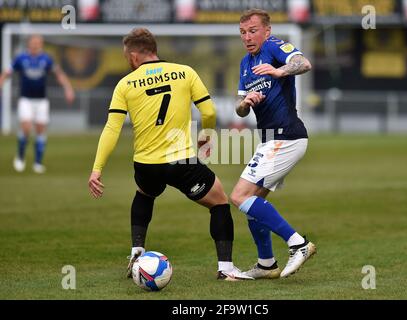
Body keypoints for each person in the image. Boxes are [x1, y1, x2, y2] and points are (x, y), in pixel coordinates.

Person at [87, 27, 253, 281]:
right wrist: (206, 137)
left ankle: (137, 253)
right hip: (181, 161)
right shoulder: (185, 72)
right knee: (219, 202)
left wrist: (97, 169)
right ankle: (226, 269)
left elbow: (112, 128)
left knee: (145, 192)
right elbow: (208, 112)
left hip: (145, 164)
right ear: (153, 50)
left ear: (133, 56)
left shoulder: (125, 84)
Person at [230, 9, 316, 279]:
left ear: (266, 31)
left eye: (253, 30)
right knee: (253, 203)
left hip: (286, 136)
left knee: (239, 196)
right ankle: (266, 264)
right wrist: (245, 103)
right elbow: (239, 110)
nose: (247, 37)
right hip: (270, 140)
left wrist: (278, 71)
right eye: (243, 32)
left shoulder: (274, 46)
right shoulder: (246, 63)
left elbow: (303, 63)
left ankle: (298, 244)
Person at [0, 34, 75, 173]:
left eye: (38, 42)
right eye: (34, 42)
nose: (36, 45)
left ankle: (37, 163)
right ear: (29, 43)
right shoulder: (21, 58)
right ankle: (20, 157)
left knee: (40, 131)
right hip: (25, 99)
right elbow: (6, 73)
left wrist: (68, 88)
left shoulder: (46, 59)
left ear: (41, 44)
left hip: (41, 101)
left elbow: (59, 74)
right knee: (27, 128)